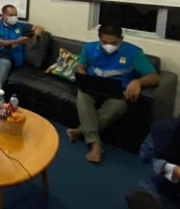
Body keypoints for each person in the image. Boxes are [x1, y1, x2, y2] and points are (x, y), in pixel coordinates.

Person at [66, 24, 160, 163]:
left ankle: (83, 133)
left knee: (117, 107)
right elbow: (81, 66)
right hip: (93, 87)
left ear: (121, 39)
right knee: (82, 95)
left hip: (117, 92)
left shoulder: (133, 53)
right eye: (104, 42)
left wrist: (138, 82)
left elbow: (154, 77)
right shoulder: (89, 48)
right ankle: (95, 144)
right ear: (99, 38)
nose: (108, 46)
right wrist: (84, 79)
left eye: (113, 43)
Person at [0, 4, 45, 84]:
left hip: (5, 56)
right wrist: (17, 41)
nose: (14, 17)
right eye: (11, 15)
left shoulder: (19, 26)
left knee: (3, 69)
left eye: (15, 15)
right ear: (3, 15)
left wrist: (35, 36)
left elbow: (40, 28)